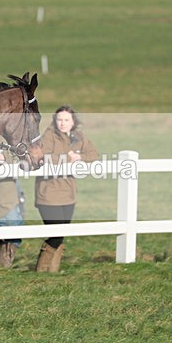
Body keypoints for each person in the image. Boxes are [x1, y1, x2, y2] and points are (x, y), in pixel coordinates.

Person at [34, 106, 99, 272]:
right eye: (59, 120)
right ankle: (41, 270)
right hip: (48, 194)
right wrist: (68, 160)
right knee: (56, 234)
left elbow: (94, 156)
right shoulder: (48, 136)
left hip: (69, 194)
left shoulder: (78, 137)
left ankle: (52, 271)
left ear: (73, 122)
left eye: (66, 120)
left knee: (61, 235)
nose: (62, 123)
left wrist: (80, 157)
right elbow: (44, 157)